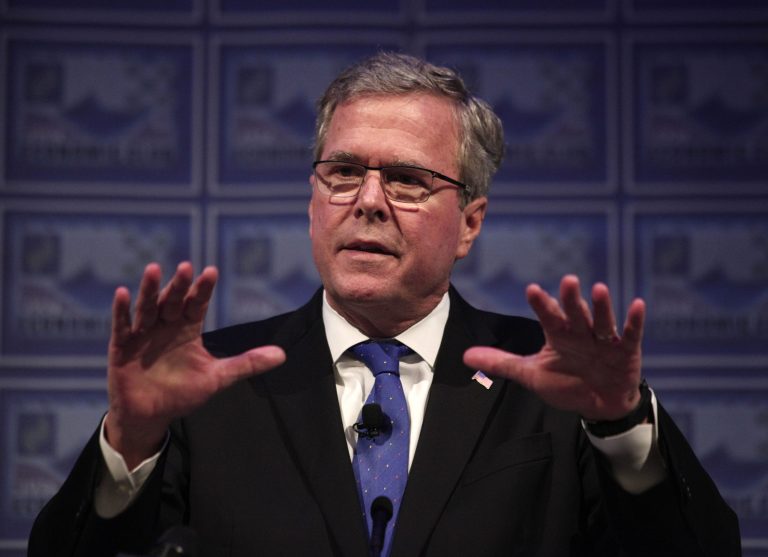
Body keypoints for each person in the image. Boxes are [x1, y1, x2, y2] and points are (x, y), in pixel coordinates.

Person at [28, 52, 739, 557]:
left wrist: (620, 428)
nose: (367, 202)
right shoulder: (210, 383)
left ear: (470, 221)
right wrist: (131, 442)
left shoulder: (553, 381)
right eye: (343, 172)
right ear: (313, 199)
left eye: (405, 179)